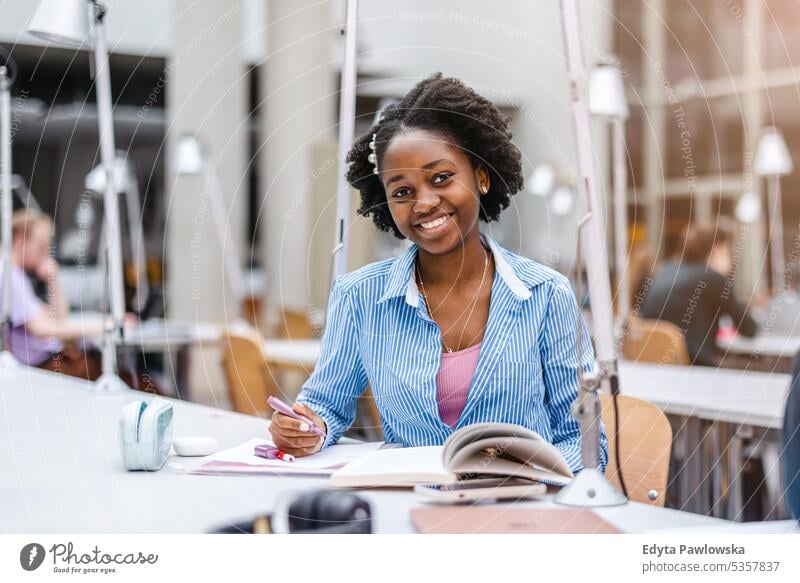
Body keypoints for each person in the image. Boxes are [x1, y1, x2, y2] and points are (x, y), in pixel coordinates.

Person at [269, 73, 606, 474]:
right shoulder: (358, 295)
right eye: (402, 191)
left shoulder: (547, 294)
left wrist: (523, 475)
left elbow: (585, 444)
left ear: (481, 178)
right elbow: (326, 403)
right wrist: (308, 427)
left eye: (441, 178)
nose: (424, 203)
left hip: (521, 512)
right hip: (410, 510)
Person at [0, 209, 107, 379]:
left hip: (50, 363)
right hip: (44, 368)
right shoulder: (10, 277)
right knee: (130, 379)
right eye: (42, 246)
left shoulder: (19, 277)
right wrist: (107, 325)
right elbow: (45, 329)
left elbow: (59, 319)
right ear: (20, 241)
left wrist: (53, 278)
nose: (45, 254)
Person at [639, 220, 758, 366]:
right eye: (729, 251)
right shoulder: (714, 278)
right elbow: (749, 330)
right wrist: (721, 273)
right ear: (717, 249)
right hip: (695, 371)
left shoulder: (663, 271)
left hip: (651, 370)